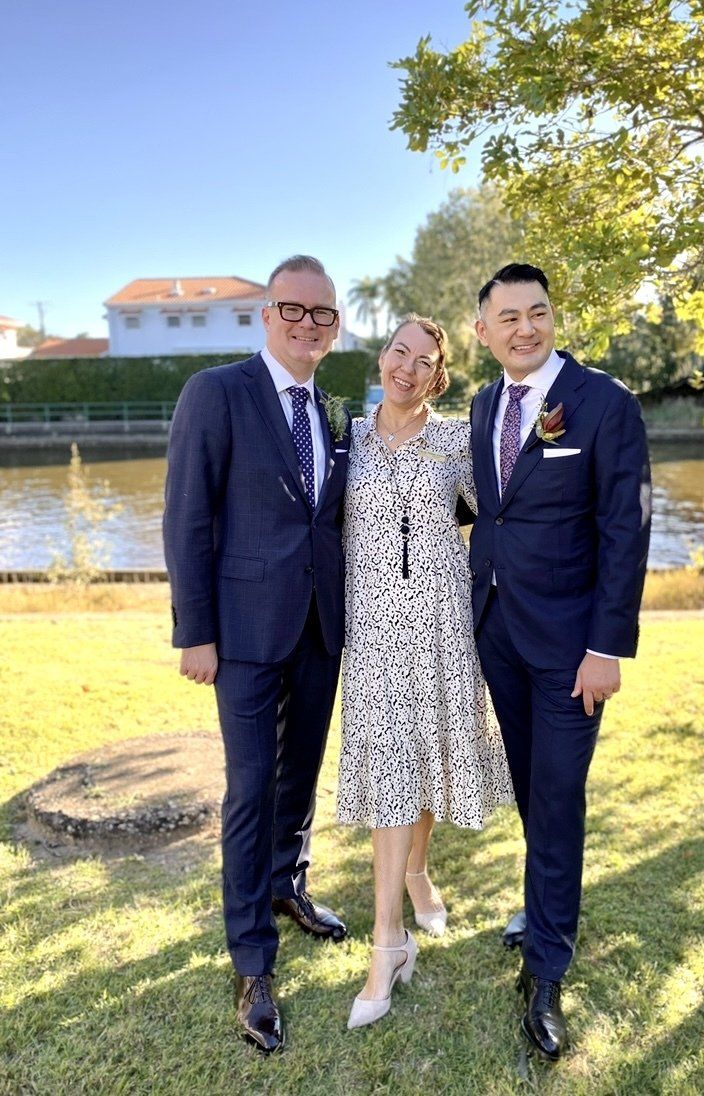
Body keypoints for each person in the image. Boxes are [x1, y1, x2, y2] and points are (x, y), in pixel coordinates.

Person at [163, 255, 352, 1054]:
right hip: (241, 633)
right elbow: (187, 517)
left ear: (335, 327)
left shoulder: (334, 413)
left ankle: (288, 885)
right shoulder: (217, 392)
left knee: (301, 774)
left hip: (318, 627)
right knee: (249, 789)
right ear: (267, 315)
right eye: (294, 309)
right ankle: (251, 961)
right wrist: (194, 632)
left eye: (323, 314)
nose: (308, 323)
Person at [469, 264, 651, 1060]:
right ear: (483, 331)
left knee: (558, 796)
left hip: (574, 650)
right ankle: (540, 909)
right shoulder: (482, 407)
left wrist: (606, 648)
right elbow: (489, 509)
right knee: (531, 792)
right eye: (507, 318)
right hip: (499, 635)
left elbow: (627, 531)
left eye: (536, 313)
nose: (524, 328)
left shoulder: (606, 403)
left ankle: (546, 970)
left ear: (552, 317)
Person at [336, 314, 513, 1029]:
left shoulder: (456, 440)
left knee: (433, 759)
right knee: (390, 772)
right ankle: (388, 942)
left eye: (424, 361)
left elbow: (501, 508)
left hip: (441, 626)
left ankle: (416, 871)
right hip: (373, 631)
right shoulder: (344, 436)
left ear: (439, 376)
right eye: (398, 352)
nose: (407, 368)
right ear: (382, 357)